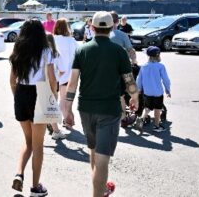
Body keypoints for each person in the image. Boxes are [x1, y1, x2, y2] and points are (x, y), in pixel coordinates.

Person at [63, 11, 139, 197]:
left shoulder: (82, 50)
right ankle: (98, 193)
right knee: (103, 158)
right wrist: (134, 97)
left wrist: (67, 110)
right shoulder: (119, 51)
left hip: (86, 108)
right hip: (109, 109)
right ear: (112, 27)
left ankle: (101, 188)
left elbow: (72, 83)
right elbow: (128, 80)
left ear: (92, 27)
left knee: (93, 150)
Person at [9, 19, 57, 197]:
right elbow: (52, 79)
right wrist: (53, 98)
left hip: (21, 93)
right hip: (39, 92)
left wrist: (17, 97)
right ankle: (35, 187)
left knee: (27, 141)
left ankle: (19, 174)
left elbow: (12, 81)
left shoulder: (18, 50)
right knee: (38, 145)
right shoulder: (46, 51)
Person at [50, 19, 78, 138]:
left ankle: (54, 123)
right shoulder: (72, 41)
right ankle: (67, 120)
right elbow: (78, 55)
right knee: (64, 99)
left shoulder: (52, 39)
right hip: (68, 74)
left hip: (53, 74)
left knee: (52, 100)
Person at [136, 46, 171, 132]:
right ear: (158, 56)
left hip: (147, 92)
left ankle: (141, 118)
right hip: (158, 92)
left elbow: (139, 79)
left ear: (148, 56)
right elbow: (166, 79)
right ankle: (156, 126)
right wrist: (167, 89)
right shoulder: (160, 66)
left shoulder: (144, 66)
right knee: (157, 109)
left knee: (147, 107)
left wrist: (139, 89)